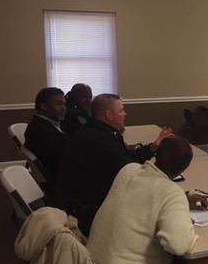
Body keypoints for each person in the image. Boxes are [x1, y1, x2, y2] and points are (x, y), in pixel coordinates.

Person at [57, 93, 173, 235]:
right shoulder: (98, 140)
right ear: (109, 115)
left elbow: (126, 158)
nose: (125, 114)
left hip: (93, 195)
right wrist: (166, 178)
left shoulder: (99, 131)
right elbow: (131, 172)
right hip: (94, 208)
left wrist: (153, 147)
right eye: (121, 110)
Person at [24, 87, 68, 189]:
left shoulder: (50, 124)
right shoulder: (42, 131)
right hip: (62, 181)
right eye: (59, 104)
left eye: (64, 104)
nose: (64, 108)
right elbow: (64, 158)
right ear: (43, 106)